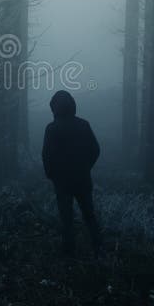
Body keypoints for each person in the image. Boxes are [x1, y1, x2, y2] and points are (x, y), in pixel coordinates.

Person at [42, 90, 102, 257]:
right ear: (72, 105)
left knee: (66, 219)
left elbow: (46, 156)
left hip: (62, 183)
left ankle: (69, 254)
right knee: (89, 215)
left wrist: (52, 175)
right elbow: (95, 150)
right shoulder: (84, 125)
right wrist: (85, 167)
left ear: (54, 107)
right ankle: (99, 248)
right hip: (83, 179)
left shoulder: (52, 129)